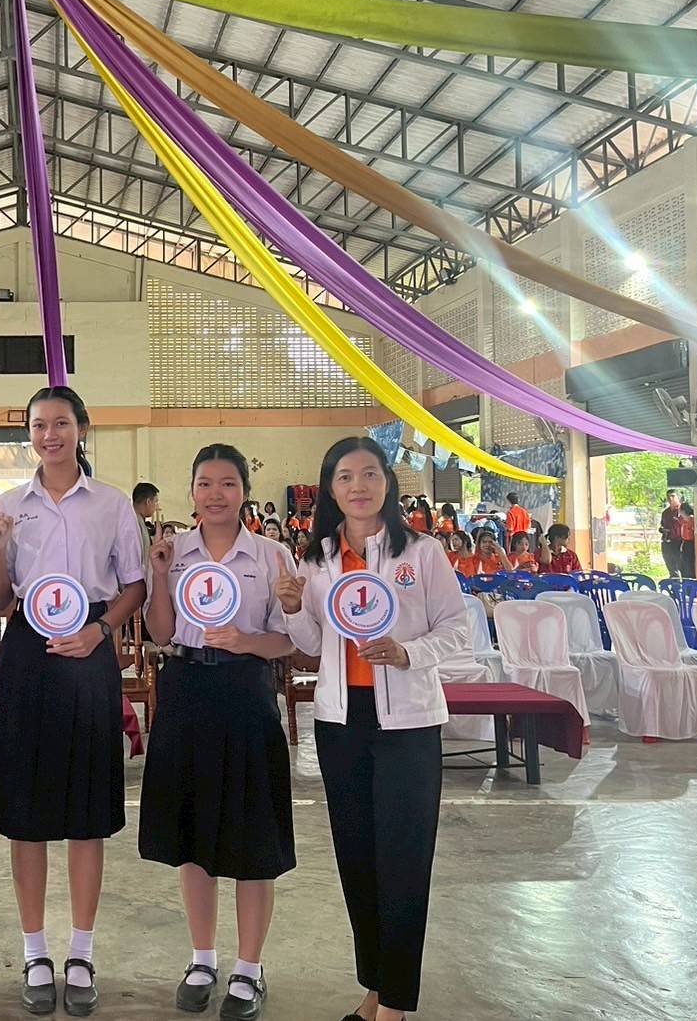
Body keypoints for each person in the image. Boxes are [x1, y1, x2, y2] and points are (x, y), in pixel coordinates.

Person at [277, 436, 466, 1021]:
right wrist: (293, 608)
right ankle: (376, 991)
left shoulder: (422, 553)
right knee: (358, 861)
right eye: (344, 477)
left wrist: (408, 653)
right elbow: (312, 645)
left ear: (387, 482)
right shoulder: (316, 559)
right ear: (330, 489)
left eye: (369, 474)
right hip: (340, 723)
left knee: (404, 860)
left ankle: (395, 1007)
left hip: (408, 724)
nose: (358, 486)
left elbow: (457, 629)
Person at [0, 386, 147, 1017]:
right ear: (29, 434)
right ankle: (35, 953)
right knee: (25, 810)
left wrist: (100, 631)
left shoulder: (111, 503)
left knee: (86, 808)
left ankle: (80, 953)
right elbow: (0, 599)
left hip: (88, 649)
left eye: (61, 423)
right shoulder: (8, 505)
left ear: (82, 429)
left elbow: (134, 586)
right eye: (39, 425)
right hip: (28, 652)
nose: (50, 435)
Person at [141, 444, 297, 1020]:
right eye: (204, 483)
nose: (215, 494)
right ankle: (202, 958)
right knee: (193, 831)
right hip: (185, 690)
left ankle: (249, 968)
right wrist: (160, 576)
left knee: (253, 835)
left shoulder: (272, 555)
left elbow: (290, 639)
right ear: (191, 492)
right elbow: (160, 633)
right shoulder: (173, 551)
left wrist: (246, 641)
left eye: (227, 483)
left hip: (246, 691)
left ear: (244, 493)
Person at [659, 490, 684, 577]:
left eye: (673, 496)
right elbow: (662, 525)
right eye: (668, 496)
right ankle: (673, 583)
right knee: (671, 567)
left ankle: (683, 584)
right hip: (667, 542)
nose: (670, 498)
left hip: (679, 542)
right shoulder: (665, 513)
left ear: (678, 497)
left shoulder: (682, 511)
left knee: (681, 567)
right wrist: (663, 530)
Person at [678, 502, 697, 579]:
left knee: (690, 565)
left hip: (691, 543)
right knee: (683, 566)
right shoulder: (683, 521)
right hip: (685, 542)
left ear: (683, 511)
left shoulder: (692, 520)